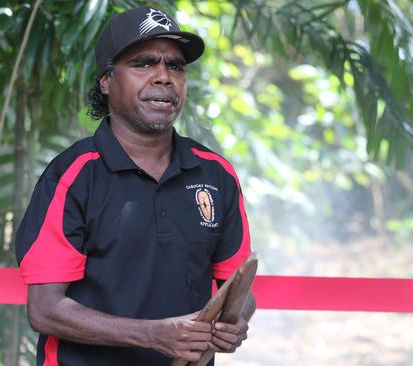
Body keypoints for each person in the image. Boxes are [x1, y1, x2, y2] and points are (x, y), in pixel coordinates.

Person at [15, 6, 255, 366]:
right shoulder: (73, 175)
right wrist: (152, 335)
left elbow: (237, 287)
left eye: (175, 66)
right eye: (144, 64)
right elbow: (45, 310)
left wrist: (235, 321)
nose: (164, 77)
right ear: (107, 81)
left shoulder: (215, 174)